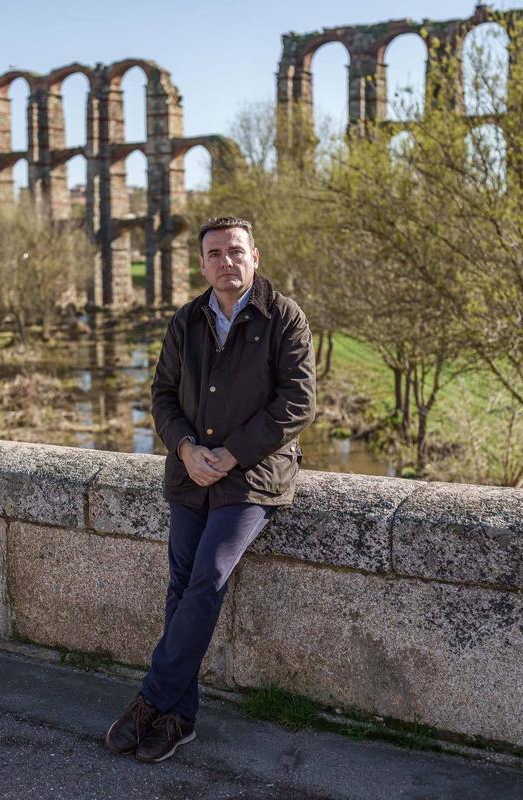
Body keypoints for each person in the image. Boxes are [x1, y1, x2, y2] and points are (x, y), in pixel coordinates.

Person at [104, 216, 316, 763]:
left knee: (208, 576)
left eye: (236, 251)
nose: (227, 261)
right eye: (215, 253)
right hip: (191, 474)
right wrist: (185, 449)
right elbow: (163, 397)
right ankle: (179, 718)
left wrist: (232, 453)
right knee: (179, 585)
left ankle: (151, 700)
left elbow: (297, 403)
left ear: (255, 256)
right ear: (202, 264)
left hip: (253, 476)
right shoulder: (187, 320)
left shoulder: (284, 318)